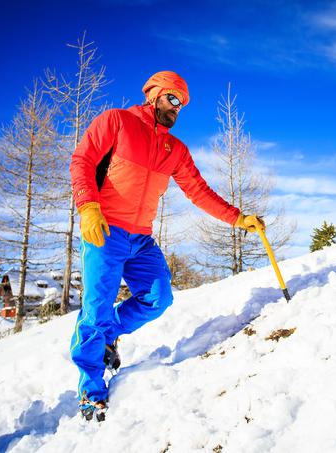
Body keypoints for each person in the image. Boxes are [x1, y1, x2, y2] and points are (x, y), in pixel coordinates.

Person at [69, 70, 265, 421]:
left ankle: (108, 336)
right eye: (173, 99)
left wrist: (237, 218)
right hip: (104, 231)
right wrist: (88, 206)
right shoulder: (117, 121)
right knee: (95, 310)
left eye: (183, 104)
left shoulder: (174, 149)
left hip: (141, 239)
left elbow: (199, 192)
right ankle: (91, 390)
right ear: (155, 95)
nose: (177, 108)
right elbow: (82, 159)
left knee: (159, 297)